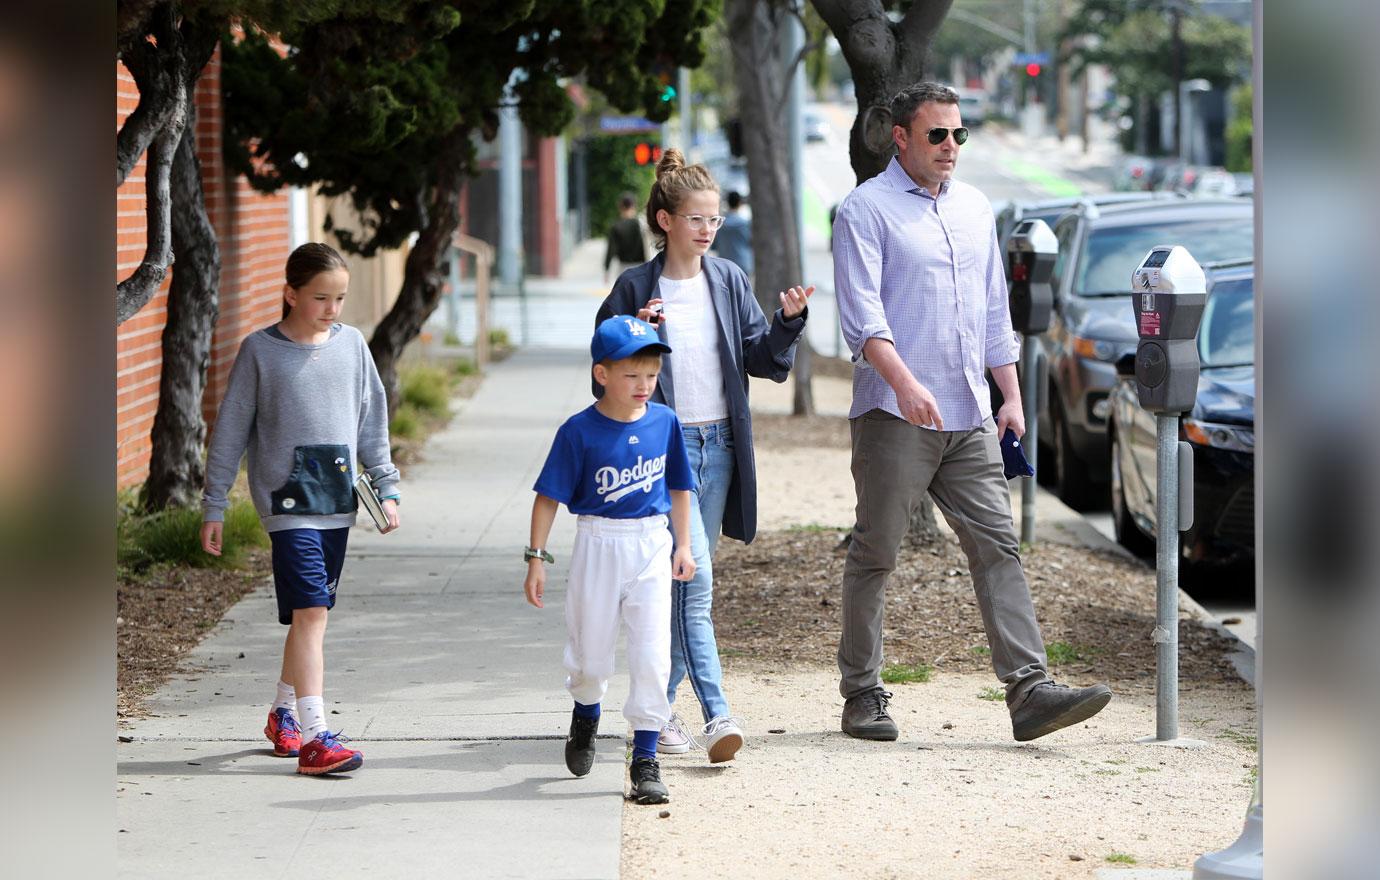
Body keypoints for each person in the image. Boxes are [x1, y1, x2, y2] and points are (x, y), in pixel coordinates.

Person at [831, 82, 1112, 743]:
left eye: (959, 134)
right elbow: (861, 316)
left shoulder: (975, 207)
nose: (951, 145)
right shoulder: (865, 211)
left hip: (968, 412)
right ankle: (862, 695)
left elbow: (992, 311)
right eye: (938, 135)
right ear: (901, 137)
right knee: (876, 552)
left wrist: (1009, 394)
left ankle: (1031, 691)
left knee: (998, 546)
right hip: (895, 415)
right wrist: (902, 383)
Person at [596, 149, 814, 763]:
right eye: (696, 219)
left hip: (717, 446)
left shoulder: (727, 280)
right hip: (659, 451)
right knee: (695, 583)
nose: (708, 230)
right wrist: (636, 333)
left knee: (682, 582)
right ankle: (716, 713)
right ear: (665, 220)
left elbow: (763, 362)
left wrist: (788, 323)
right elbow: (602, 375)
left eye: (714, 220)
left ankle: (657, 714)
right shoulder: (634, 287)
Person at [200, 242, 401, 775]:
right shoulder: (260, 351)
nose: (332, 309)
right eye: (320, 298)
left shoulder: (353, 346)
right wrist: (214, 503)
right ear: (289, 293)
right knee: (313, 613)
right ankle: (316, 737)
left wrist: (386, 485)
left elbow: (371, 424)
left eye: (339, 298)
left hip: (337, 505)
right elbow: (230, 432)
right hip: (287, 506)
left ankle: (280, 714)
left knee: (310, 616)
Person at [523, 315, 697, 805]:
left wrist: (683, 545)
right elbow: (547, 497)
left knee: (651, 655)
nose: (644, 385)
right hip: (597, 543)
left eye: (651, 375)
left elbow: (680, 487)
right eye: (631, 375)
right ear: (602, 374)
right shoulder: (579, 430)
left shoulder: (665, 422)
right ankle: (586, 713)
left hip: (650, 543)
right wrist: (536, 558)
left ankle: (644, 758)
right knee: (591, 654)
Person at [604, 192, 648, 283]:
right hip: (642, 267)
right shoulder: (641, 224)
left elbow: (611, 250)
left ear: (620, 206)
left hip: (623, 268)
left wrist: (607, 270)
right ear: (634, 206)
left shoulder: (616, 226)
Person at [710, 190, 753, 278]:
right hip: (743, 263)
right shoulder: (745, 224)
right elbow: (751, 242)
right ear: (739, 203)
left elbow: (713, 246)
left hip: (723, 264)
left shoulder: (720, 224)